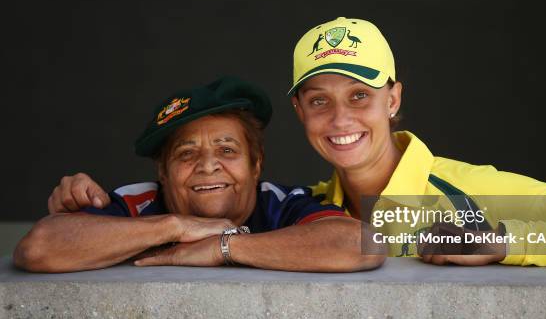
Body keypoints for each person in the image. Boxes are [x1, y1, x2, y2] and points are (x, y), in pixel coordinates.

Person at [288, 17, 546, 266]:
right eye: (319, 101)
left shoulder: (464, 192)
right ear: (299, 110)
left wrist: (503, 242)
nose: (341, 119)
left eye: (359, 95)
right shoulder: (304, 209)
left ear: (392, 100)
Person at [13, 76, 385, 273]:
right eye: (187, 154)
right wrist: (174, 227)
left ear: (256, 164)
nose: (208, 165)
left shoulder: (283, 203)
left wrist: (225, 248)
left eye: (227, 150)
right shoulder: (137, 201)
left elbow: (360, 244)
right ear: (163, 170)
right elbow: (38, 248)